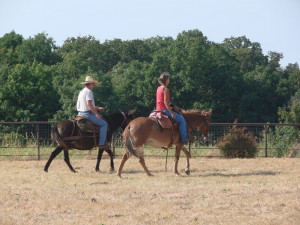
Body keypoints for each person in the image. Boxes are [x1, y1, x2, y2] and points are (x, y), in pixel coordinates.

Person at [156, 72, 189, 143]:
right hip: (165, 110)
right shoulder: (166, 89)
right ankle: (184, 139)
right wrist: (172, 113)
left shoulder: (159, 88)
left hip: (158, 109)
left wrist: (174, 106)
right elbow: (165, 102)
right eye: (169, 79)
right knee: (182, 120)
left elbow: (165, 101)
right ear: (167, 80)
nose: (169, 81)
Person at [76, 76, 108, 148]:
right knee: (104, 124)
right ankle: (101, 143)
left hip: (80, 113)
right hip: (87, 114)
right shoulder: (89, 92)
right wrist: (97, 114)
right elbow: (89, 104)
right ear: (90, 84)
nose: (93, 86)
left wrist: (98, 108)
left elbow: (87, 105)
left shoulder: (81, 91)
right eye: (93, 84)